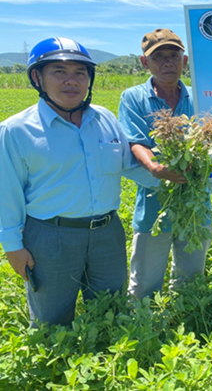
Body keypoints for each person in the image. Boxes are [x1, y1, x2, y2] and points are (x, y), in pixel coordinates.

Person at [0, 37, 159, 326]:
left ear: (90, 79)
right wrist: (12, 246)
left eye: (80, 72)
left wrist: (190, 178)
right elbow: (6, 193)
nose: (71, 81)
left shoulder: (105, 119)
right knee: (52, 322)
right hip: (51, 236)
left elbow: (130, 166)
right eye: (59, 72)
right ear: (38, 77)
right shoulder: (16, 131)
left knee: (110, 314)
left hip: (107, 233)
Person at [118, 28, 212, 300]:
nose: (167, 63)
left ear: (184, 61)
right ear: (144, 62)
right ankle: (144, 328)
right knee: (143, 285)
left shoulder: (202, 97)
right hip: (155, 205)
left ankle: (186, 325)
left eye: (174, 56)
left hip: (196, 205)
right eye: (158, 56)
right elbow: (135, 142)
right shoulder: (134, 97)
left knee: (191, 279)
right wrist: (155, 167)